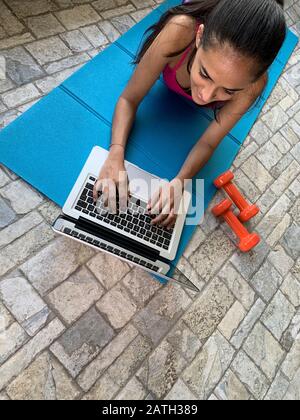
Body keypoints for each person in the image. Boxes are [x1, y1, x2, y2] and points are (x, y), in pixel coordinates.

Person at [93, 0, 286, 230]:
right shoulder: (181, 30)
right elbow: (128, 99)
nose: (205, 96)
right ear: (199, 36)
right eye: (205, 74)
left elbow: (209, 142)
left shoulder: (254, 84)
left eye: (228, 91)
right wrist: (115, 152)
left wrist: (180, 181)